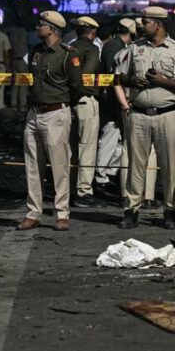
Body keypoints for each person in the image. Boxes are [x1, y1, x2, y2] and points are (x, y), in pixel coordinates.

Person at [115, 6, 175, 229]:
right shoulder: (135, 48)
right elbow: (120, 75)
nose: (141, 25)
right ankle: (131, 210)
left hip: (167, 114)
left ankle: (170, 211)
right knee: (135, 165)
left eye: (146, 22)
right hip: (138, 114)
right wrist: (132, 81)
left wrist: (162, 81)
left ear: (158, 24)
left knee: (169, 166)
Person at [17, 11, 82, 232]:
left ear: (52, 29)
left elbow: (77, 88)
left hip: (56, 114)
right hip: (35, 113)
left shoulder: (67, 54)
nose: (37, 27)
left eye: (41, 24)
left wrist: (61, 105)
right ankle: (33, 212)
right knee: (32, 166)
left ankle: (62, 213)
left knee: (59, 166)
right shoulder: (36, 52)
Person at [95, 18, 135, 195]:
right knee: (110, 136)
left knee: (115, 139)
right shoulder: (116, 47)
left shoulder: (113, 44)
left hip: (112, 97)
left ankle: (107, 173)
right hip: (112, 98)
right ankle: (101, 176)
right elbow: (114, 76)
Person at [70, 16, 104, 208]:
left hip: (68, 103)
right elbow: (87, 75)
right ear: (93, 32)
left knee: (71, 149)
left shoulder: (69, 47)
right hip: (86, 100)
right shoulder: (93, 49)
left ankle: (70, 188)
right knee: (87, 147)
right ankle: (84, 191)